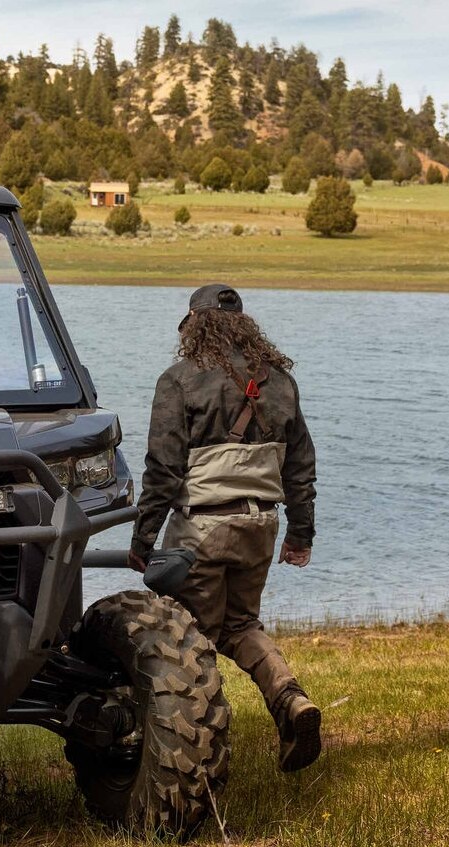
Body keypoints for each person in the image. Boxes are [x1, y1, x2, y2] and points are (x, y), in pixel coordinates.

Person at [131, 284, 322, 773]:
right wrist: (301, 534)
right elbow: (300, 467)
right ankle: (291, 701)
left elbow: (163, 469)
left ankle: (195, 747)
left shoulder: (178, 380)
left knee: (187, 636)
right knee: (240, 625)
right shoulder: (280, 382)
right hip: (261, 525)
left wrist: (143, 538)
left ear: (193, 324)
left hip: (203, 529)